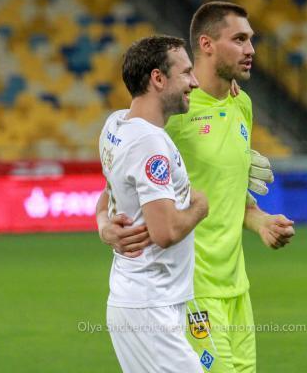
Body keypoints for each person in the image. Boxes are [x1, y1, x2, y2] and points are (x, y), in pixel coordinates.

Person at [97, 2, 295, 372]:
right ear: (207, 44)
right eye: (240, 39)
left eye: (250, 39)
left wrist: (261, 221)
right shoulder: (173, 112)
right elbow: (119, 182)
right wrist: (106, 225)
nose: (251, 49)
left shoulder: (242, 104)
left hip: (235, 286)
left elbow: (229, 196)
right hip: (191, 289)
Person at [96, 35, 208, 373]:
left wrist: (103, 224)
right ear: (158, 78)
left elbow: (108, 193)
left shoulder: (116, 124)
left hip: (145, 300)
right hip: (149, 304)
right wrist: (199, 207)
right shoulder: (149, 143)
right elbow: (165, 232)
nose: (194, 82)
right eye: (186, 72)